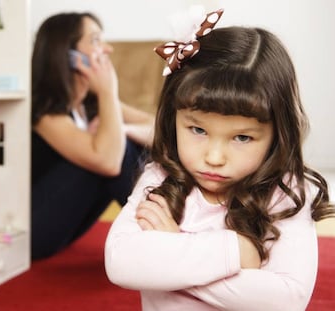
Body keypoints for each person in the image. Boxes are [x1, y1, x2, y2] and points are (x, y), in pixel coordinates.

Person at [105, 8, 335, 311]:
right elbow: (121, 263)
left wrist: (172, 249)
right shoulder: (161, 178)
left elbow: (286, 299)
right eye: (198, 129)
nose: (214, 157)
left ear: (278, 133)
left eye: (242, 138)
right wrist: (235, 252)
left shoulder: (286, 193)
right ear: (173, 119)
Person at [31, 12, 154, 260]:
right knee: (116, 151)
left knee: (130, 145)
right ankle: (157, 239)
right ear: (67, 54)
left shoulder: (89, 104)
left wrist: (125, 129)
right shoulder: (44, 112)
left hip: (68, 230)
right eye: (96, 40)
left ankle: (162, 230)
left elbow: (159, 128)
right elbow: (108, 162)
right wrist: (108, 89)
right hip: (36, 234)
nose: (107, 49)